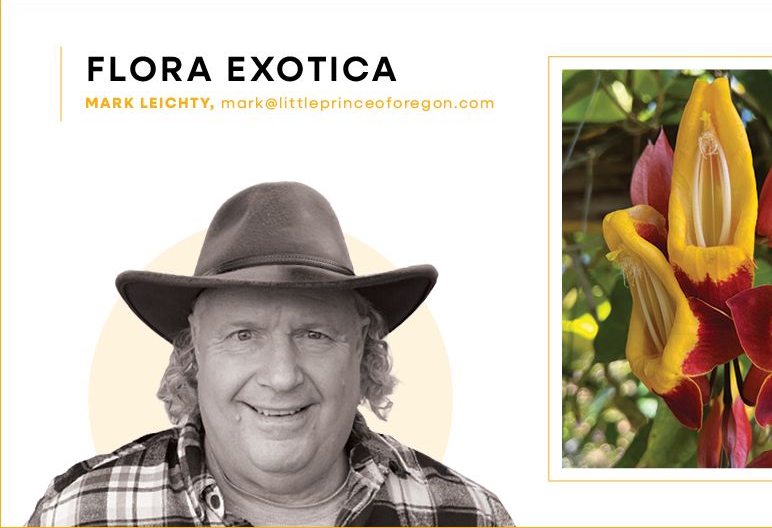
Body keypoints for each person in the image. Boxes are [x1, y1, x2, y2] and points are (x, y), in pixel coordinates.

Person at [28, 182, 513, 527]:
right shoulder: (79, 514)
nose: (281, 377)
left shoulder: (467, 516)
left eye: (315, 334)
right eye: (243, 335)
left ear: (362, 346)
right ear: (194, 348)